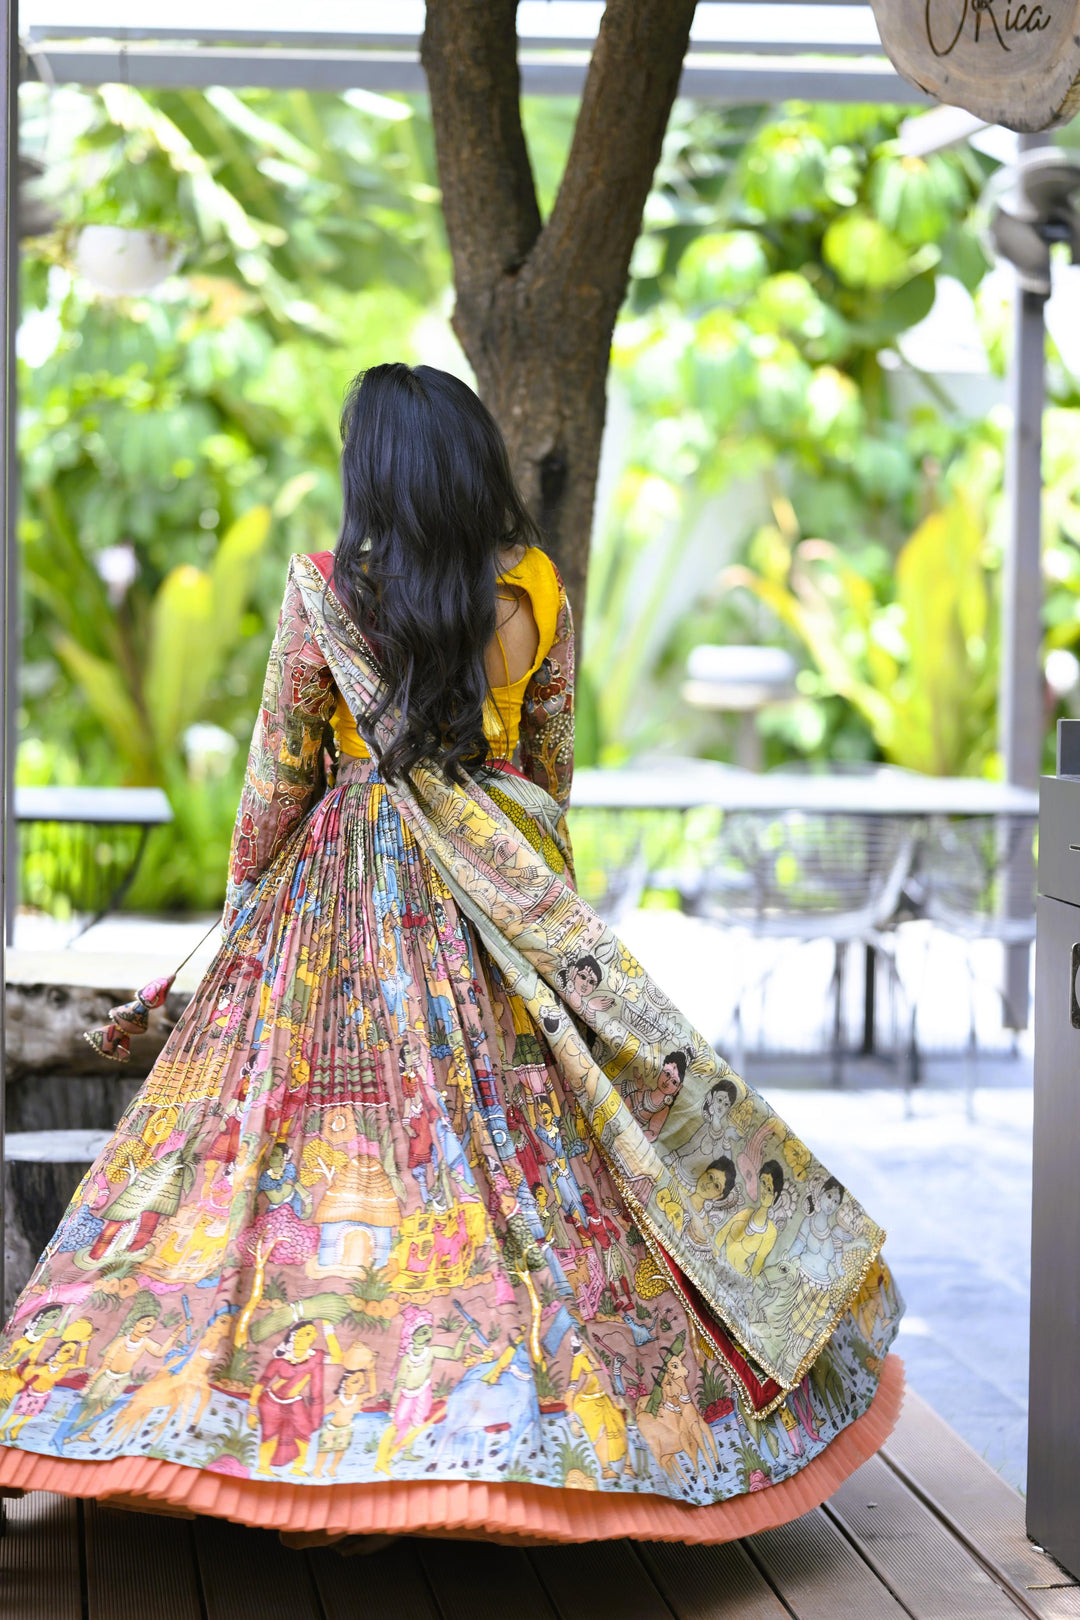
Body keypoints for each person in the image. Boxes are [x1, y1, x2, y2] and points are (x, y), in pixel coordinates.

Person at [0, 362, 903, 1542]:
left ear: (373, 472)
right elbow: (546, 774)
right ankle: (539, 1436)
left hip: (330, 915)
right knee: (520, 1170)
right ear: (472, 464)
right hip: (496, 900)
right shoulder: (536, 593)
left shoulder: (326, 592)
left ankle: (196, 1422)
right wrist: (541, 931)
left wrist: (243, 923)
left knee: (262, 1155)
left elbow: (278, 781)